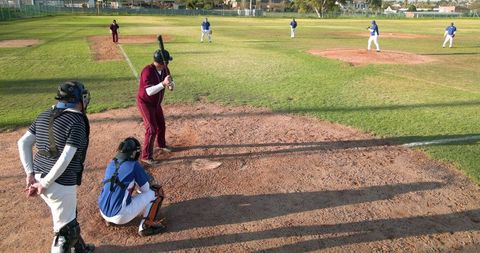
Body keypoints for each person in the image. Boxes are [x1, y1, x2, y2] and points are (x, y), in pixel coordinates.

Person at [17, 81, 95, 253]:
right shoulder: (76, 121)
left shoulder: (44, 114)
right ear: (77, 99)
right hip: (57, 183)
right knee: (65, 233)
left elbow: (23, 143)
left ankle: (80, 248)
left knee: (68, 216)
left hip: (38, 175)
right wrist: (45, 184)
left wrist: (30, 174)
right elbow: (66, 157)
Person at [98, 137, 166, 236]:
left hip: (103, 210)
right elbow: (145, 189)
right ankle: (146, 226)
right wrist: (144, 179)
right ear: (134, 153)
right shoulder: (134, 165)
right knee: (156, 192)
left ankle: (108, 218)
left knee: (117, 188)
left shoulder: (111, 163)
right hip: (120, 216)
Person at [137, 49, 174, 165]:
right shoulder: (147, 71)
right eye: (166, 62)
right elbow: (149, 91)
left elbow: (170, 82)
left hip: (156, 103)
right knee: (151, 129)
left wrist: (171, 85)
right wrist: (163, 84)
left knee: (161, 124)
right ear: (162, 62)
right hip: (145, 103)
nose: (168, 64)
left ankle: (161, 144)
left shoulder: (165, 70)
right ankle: (146, 156)